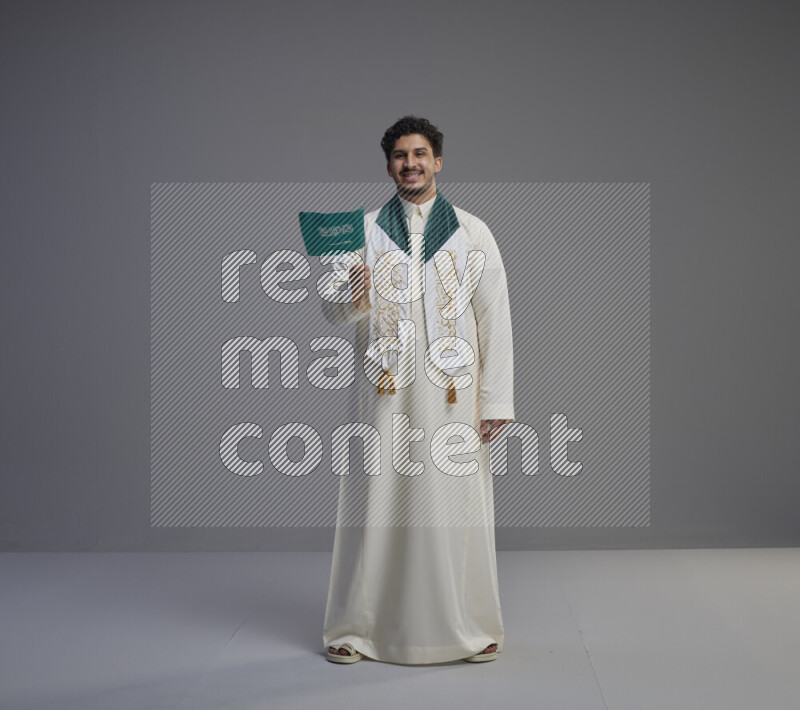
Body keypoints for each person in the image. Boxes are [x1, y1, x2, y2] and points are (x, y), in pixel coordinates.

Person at [322, 116, 515, 665]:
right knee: (375, 505)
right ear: (389, 167)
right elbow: (330, 310)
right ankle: (357, 629)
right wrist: (353, 294)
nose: (411, 163)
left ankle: (470, 625)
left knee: (455, 507)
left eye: (420, 153)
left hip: (454, 395)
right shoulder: (361, 231)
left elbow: (494, 317)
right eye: (401, 155)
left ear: (438, 162)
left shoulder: (473, 232)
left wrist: (496, 400)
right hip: (384, 393)